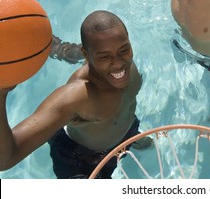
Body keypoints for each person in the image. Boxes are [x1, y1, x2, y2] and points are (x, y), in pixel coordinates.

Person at [0, 10, 152, 179]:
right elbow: (5, 159)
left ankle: (128, 138)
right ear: (87, 55)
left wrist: (56, 47)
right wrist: (1, 93)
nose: (118, 63)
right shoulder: (77, 97)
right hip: (81, 160)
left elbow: (91, 52)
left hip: (123, 132)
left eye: (124, 50)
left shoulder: (123, 63)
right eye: (104, 57)